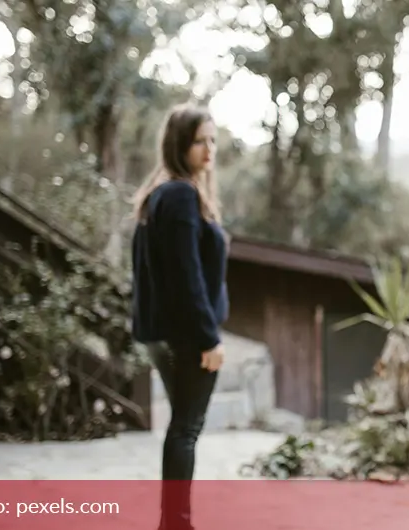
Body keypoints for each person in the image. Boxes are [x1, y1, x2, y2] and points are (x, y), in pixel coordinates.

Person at [130, 104, 229, 530]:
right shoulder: (182, 196)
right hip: (186, 337)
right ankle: (176, 523)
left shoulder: (160, 194)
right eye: (199, 141)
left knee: (181, 427)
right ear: (179, 145)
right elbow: (187, 276)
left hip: (163, 335)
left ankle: (173, 521)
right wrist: (209, 338)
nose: (209, 150)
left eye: (212, 140)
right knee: (186, 429)